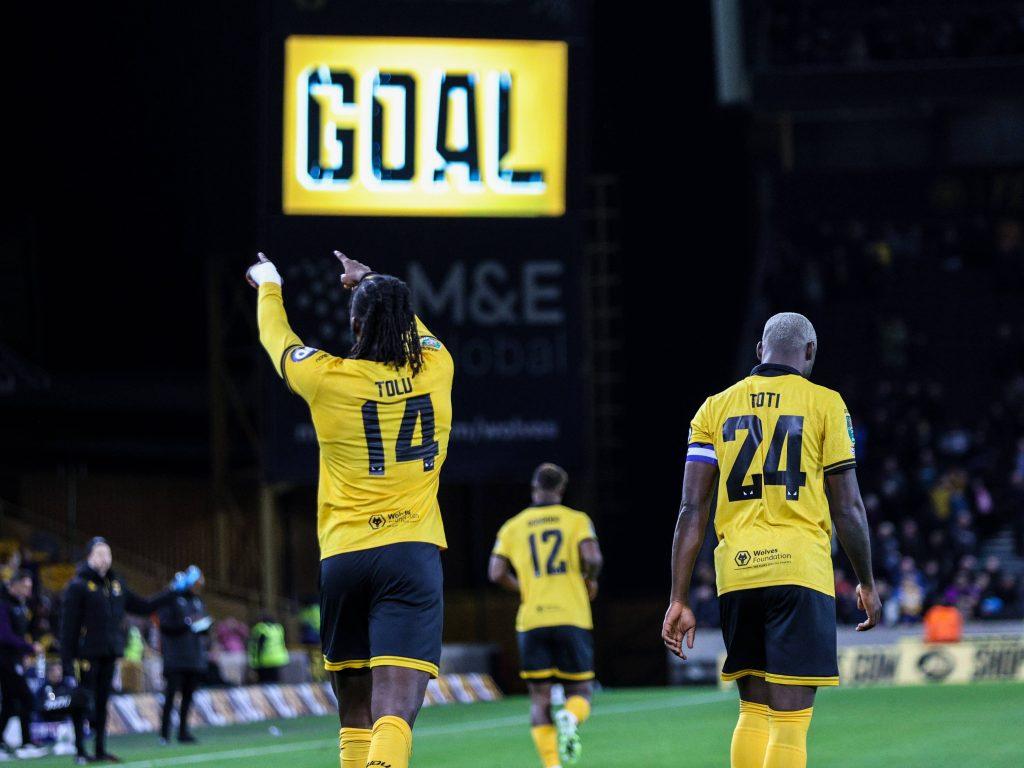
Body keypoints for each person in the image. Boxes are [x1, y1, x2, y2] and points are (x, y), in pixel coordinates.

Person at [247, 250, 453, 768]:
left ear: (355, 323)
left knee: (355, 713)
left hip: (344, 558)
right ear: (405, 323)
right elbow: (420, 332)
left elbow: (279, 342)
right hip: (410, 555)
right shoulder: (437, 367)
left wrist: (270, 283)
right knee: (393, 714)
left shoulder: (326, 378)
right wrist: (376, 281)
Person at [662, 313, 882, 768]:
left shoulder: (713, 408)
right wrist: (867, 582)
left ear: (760, 351)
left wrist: (678, 597)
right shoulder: (825, 403)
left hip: (738, 573)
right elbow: (847, 507)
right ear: (809, 353)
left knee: (753, 709)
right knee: (790, 720)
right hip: (800, 570)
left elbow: (691, 508)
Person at [489, 463, 602, 768]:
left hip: (532, 619)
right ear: (561, 490)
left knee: (539, 698)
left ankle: (551, 764)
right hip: (571, 616)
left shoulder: (513, 525)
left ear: (534, 487)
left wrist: (524, 587)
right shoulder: (576, 520)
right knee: (579, 690)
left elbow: (495, 572)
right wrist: (589, 579)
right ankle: (570, 715)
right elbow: (592, 557)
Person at [60, 537, 182, 764]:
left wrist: (172, 592)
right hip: (85, 654)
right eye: (98, 553)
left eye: (107, 553)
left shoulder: (117, 585)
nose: (104, 558)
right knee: (81, 701)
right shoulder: (78, 586)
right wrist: (67, 661)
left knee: (102, 702)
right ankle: (79, 750)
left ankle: (99, 749)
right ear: (89, 557)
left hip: (109, 652)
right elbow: (68, 627)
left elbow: (144, 606)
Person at [158, 566, 212, 745]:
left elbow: (203, 624)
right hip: (175, 656)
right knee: (170, 695)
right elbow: (165, 626)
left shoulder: (197, 601)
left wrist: (204, 626)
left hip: (194, 656)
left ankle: (183, 731)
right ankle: (164, 734)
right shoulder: (171, 600)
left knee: (188, 696)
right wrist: (186, 624)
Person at [0, 570, 47, 758]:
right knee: (26, 699)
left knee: (11, 704)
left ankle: (5, 742)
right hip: (4, 660)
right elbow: (4, 635)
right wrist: (29, 648)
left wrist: (23, 653)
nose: (29, 591)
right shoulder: (3, 603)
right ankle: (26, 743)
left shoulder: (21, 605)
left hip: (13, 658)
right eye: (26, 586)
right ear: (15, 585)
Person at [247, 614, 289, 684]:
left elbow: (259, 646)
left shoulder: (261, 629)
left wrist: (255, 662)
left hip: (264, 660)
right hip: (279, 659)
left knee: (264, 682)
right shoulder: (278, 628)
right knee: (275, 682)